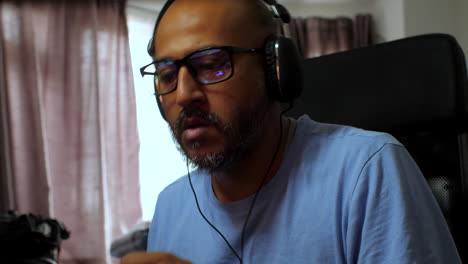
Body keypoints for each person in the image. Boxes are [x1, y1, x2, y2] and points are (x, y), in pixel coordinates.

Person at [123, 0, 461, 263]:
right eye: (167, 74)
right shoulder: (170, 205)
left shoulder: (367, 171)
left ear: (276, 72)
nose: (183, 95)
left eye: (212, 65)